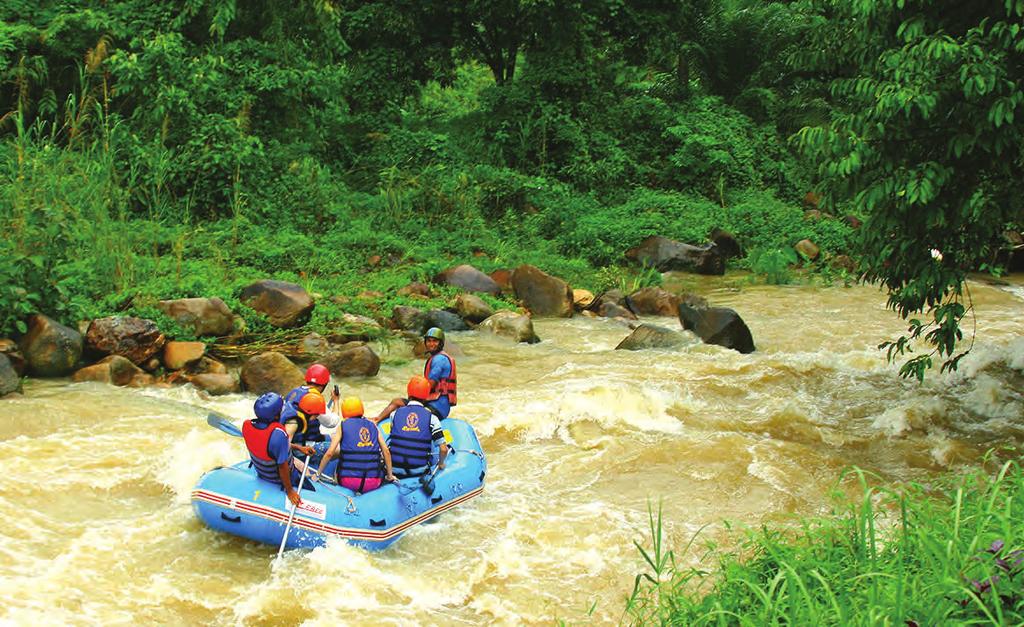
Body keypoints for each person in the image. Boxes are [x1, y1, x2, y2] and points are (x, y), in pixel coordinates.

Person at [372, 327, 457, 422]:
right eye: (429, 341)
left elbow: (429, 386)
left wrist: (413, 396)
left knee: (396, 402)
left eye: (435, 341)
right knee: (401, 403)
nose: (431, 344)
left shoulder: (439, 360)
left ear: (440, 343)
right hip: (438, 406)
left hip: (437, 408)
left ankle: (376, 420)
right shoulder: (439, 357)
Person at [316, 396, 395, 494]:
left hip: (348, 482)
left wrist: (318, 474)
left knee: (338, 462)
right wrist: (390, 476)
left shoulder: (343, 425)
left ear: (344, 411)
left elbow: (330, 453)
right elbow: (386, 451)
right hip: (374, 482)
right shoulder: (373, 425)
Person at [242, 392, 307, 507]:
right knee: (308, 480)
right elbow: (283, 466)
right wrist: (290, 491)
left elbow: (271, 446)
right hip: (280, 479)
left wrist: (299, 448)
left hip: (261, 473)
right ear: (276, 416)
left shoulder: (246, 425)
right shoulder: (278, 434)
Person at [386, 376, 448, 479]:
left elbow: (395, 439)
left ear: (408, 392)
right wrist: (441, 464)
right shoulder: (432, 418)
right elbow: (443, 449)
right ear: (426, 395)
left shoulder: (394, 414)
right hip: (418, 470)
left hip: (394, 469)